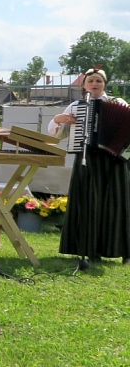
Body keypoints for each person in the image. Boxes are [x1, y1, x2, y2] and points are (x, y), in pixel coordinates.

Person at [48, 67, 130, 264]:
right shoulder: (76, 106)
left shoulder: (118, 103)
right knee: (89, 203)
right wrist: (57, 119)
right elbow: (56, 134)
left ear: (104, 84)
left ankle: (124, 251)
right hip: (87, 157)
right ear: (84, 85)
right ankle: (89, 249)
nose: (95, 84)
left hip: (114, 159)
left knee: (117, 204)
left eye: (99, 81)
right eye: (91, 81)